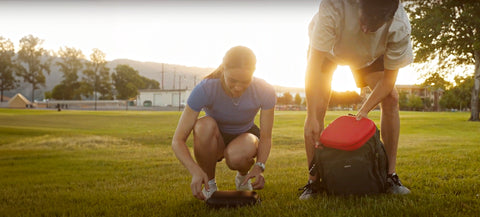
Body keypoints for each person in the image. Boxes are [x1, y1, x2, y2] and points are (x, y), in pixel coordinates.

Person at [300, 0, 412, 199]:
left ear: (389, 16)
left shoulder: (399, 25)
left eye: (375, 24)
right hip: (330, 50)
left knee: (391, 99)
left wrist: (364, 110)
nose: (366, 28)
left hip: (370, 56)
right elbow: (313, 66)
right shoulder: (334, 6)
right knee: (316, 109)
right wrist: (310, 116)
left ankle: (389, 177)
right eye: (365, 19)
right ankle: (313, 182)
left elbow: (387, 82)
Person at [171, 46, 276, 201]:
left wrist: (259, 166)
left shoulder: (264, 90)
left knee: (236, 156)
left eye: (245, 81)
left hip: (246, 136)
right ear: (224, 70)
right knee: (203, 125)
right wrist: (195, 171)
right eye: (233, 80)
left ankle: (242, 177)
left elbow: (266, 137)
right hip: (215, 139)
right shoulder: (205, 88)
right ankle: (210, 184)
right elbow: (177, 140)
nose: (238, 87)